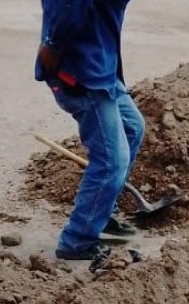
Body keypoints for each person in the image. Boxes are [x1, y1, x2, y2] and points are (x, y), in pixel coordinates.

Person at [36, 0, 144, 261]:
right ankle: (78, 240)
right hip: (82, 74)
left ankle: (101, 214)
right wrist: (53, 44)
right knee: (111, 162)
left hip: (102, 66)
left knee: (133, 128)